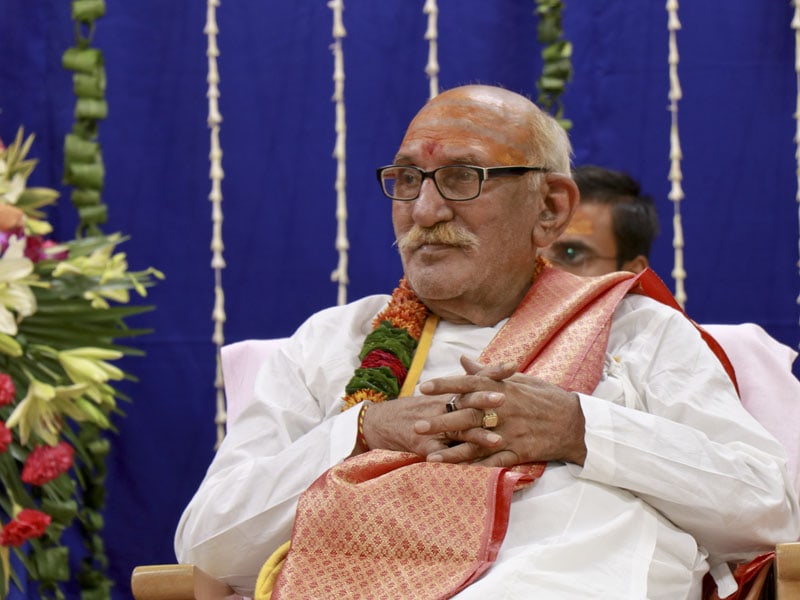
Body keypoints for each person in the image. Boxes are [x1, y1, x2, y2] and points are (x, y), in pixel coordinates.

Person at [174, 86, 800, 599]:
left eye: (461, 177)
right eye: (407, 179)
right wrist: (363, 432)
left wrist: (582, 430)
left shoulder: (639, 332)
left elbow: (771, 511)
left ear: (550, 207)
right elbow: (208, 545)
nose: (423, 211)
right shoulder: (331, 343)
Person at [542, 163, 800, 496]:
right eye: (536, 254)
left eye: (572, 254)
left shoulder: (665, 348)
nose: (546, 270)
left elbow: (761, 500)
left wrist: (581, 430)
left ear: (632, 272)